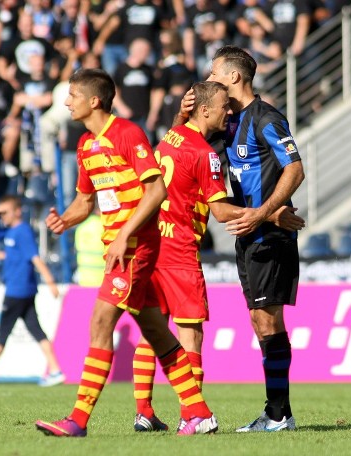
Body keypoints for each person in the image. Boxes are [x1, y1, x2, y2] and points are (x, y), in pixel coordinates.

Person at [36, 68, 218, 437]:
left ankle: (78, 420)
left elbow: (156, 192)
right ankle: (199, 413)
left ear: (94, 101)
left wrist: (123, 236)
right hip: (118, 247)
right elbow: (86, 201)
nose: (66, 102)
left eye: (71, 95)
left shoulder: (127, 133)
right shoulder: (86, 144)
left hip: (135, 248)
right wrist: (65, 220)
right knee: (155, 330)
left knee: (101, 320)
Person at [132, 80, 305, 433]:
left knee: (153, 330)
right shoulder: (205, 154)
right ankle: (193, 414)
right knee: (190, 335)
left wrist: (181, 113)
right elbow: (222, 213)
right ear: (206, 111)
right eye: (223, 106)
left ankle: (144, 411)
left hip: (154, 243)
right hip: (180, 250)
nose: (229, 112)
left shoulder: (173, 135)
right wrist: (270, 214)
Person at [177, 45, 305, 432]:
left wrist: (265, 212)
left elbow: (295, 169)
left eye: (214, 71)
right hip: (246, 233)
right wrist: (183, 113)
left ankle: (280, 415)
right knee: (259, 320)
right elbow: (180, 146)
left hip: (269, 233)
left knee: (267, 320)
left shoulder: (266, 118)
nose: (209, 77)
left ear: (234, 77)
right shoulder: (226, 121)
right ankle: (277, 412)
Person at [0, 195, 64, 387]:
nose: (3, 216)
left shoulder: (22, 231)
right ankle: (55, 370)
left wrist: (50, 281)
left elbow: (35, 258)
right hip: (22, 289)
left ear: (17, 211)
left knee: (4, 331)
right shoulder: (9, 231)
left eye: (5, 212)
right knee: (36, 329)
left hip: (18, 289)